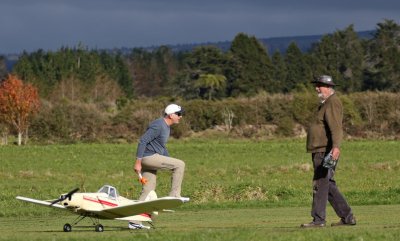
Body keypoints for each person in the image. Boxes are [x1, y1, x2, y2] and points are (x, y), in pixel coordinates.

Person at [301, 75, 356, 228]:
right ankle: (347, 217)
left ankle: (318, 220)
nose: (316, 88)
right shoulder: (326, 103)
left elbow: (336, 128)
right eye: (317, 85)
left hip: (325, 151)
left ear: (328, 87)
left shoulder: (332, 102)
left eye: (320, 85)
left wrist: (336, 148)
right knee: (328, 185)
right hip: (321, 150)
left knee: (320, 183)